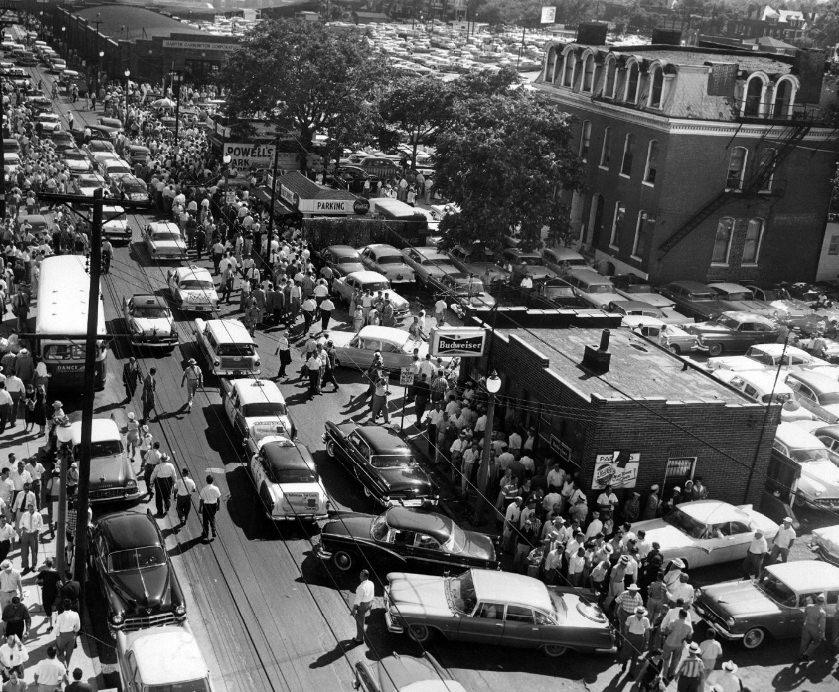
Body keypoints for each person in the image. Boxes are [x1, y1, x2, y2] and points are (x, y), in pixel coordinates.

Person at [622, 606, 651, 676]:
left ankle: (631, 672)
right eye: (639, 612)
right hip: (630, 636)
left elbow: (647, 631)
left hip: (640, 638)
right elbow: (626, 628)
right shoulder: (630, 618)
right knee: (627, 653)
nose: (640, 614)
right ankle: (624, 664)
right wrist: (626, 637)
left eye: (641, 613)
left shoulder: (646, 620)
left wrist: (647, 641)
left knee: (635, 656)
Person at [35, 559, 61, 633]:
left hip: (46, 592)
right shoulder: (56, 572)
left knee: (47, 606)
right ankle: (49, 616)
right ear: (52, 564)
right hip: (54, 591)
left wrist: (43, 582)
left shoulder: (43, 572)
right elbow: (59, 583)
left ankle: (50, 625)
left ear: (46, 564)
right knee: (51, 604)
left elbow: (36, 581)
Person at [799, 593, 826, 662]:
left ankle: (801, 656)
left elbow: (804, 616)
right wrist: (822, 634)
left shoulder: (808, 606)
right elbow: (822, 625)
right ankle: (806, 654)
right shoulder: (822, 612)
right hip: (814, 627)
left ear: (816, 600)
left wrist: (804, 623)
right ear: (823, 603)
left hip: (806, 625)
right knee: (817, 641)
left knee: (804, 641)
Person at [54, 599, 80, 667]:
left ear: (63, 606)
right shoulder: (76, 614)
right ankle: (67, 667)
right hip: (72, 635)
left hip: (62, 636)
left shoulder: (60, 617)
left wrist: (57, 635)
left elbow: (56, 628)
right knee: (69, 653)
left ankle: (63, 665)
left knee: (60, 652)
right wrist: (74, 631)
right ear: (71, 606)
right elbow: (78, 627)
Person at [17, 504, 42, 574]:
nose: (30, 510)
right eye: (29, 509)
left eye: (32, 509)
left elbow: (41, 525)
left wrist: (37, 531)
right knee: (24, 551)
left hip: (34, 534)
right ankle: (26, 567)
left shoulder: (38, 515)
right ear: (27, 508)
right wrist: (23, 528)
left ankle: (34, 566)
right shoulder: (25, 514)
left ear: (34, 508)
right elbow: (20, 524)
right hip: (25, 534)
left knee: (34, 551)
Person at [352, 569, 374, 644]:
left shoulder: (361, 587)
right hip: (369, 603)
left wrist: (353, 610)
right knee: (362, 619)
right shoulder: (371, 583)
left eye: (361, 575)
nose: (359, 576)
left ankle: (359, 639)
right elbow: (372, 594)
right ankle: (360, 637)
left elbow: (358, 600)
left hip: (362, 605)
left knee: (359, 622)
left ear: (364, 577)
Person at [199, 474, 221, 541]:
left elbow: (201, 500)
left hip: (206, 506)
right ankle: (213, 530)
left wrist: (200, 508)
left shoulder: (204, 489)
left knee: (205, 520)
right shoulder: (216, 488)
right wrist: (218, 506)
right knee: (212, 517)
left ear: (206, 481)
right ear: (212, 481)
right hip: (213, 506)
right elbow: (218, 498)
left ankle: (205, 533)